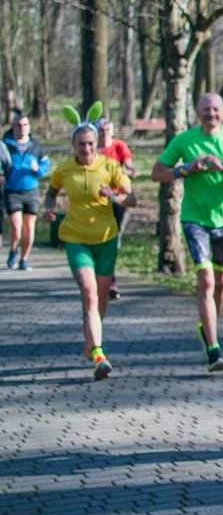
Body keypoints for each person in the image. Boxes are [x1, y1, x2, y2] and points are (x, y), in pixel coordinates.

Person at [150, 93, 223, 372]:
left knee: (221, 281)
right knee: (205, 280)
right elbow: (157, 172)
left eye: (215, 109)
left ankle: (208, 327)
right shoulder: (185, 140)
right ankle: (214, 348)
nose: (210, 114)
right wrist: (184, 170)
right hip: (195, 218)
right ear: (197, 112)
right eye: (205, 109)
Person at [43, 107, 136, 380]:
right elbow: (51, 191)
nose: (86, 149)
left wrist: (115, 196)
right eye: (81, 144)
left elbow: (133, 199)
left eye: (91, 144)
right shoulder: (64, 169)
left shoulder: (110, 167)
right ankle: (98, 353)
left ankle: (90, 339)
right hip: (76, 238)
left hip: (106, 238)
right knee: (89, 292)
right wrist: (49, 207)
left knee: (101, 298)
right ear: (73, 144)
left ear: (97, 145)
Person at [5, 113, 51, 271]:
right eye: (18, 125)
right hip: (12, 190)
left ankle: (24, 259)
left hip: (31, 190)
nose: (22, 128)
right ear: (13, 127)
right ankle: (13, 250)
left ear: (29, 127)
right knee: (16, 224)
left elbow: (46, 165)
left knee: (29, 227)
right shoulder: (6, 145)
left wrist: (38, 169)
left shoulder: (36, 146)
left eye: (25, 125)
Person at [95, 118, 136, 300]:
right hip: (95, 202)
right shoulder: (92, 149)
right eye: (101, 130)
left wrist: (117, 172)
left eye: (107, 130)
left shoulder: (119, 146)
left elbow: (131, 170)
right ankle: (102, 279)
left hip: (118, 200)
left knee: (112, 241)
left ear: (112, 131)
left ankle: (110, 282)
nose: (104, 134)